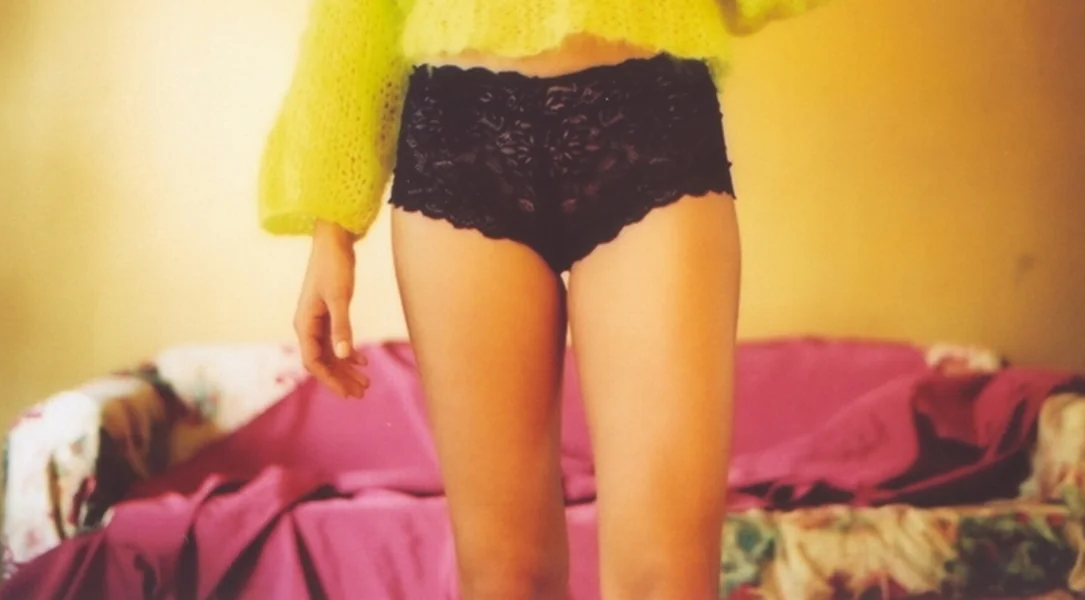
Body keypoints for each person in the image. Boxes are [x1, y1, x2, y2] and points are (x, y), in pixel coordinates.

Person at [258, 1, 830, 598]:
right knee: (502, 576)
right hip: (458, 138)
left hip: (652, 123)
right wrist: (331, 228)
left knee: (668, 576)